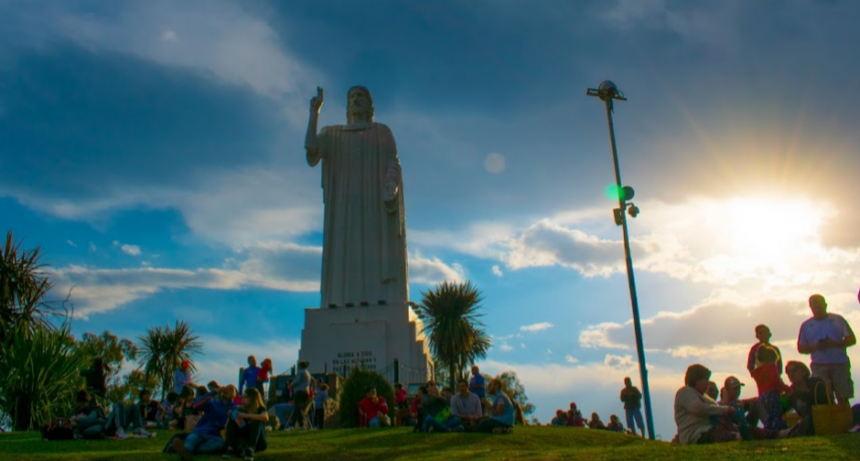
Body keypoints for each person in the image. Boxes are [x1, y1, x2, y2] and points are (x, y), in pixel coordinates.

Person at [305, 85, 408, 308]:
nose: (356, 99)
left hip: (373, 206)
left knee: (373, 250)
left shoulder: (381, 132)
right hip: (343, 209)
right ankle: (341, 301)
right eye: (352, 96)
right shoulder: (332, 135)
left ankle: (378, 298)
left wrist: (391, 185)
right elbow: (311, 149)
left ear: (370, 105)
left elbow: (393, 162)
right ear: (347, 106)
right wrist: (314, 113)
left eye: (361, 96)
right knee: (345, 252)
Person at [797, 294, 856, 404]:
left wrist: (835, 343)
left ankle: (845, 415)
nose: (817, 308)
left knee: (843, 397)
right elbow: (801, 348)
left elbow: (852, 339)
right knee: (824, 398)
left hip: (839, 364)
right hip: (819, 365)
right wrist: (815, 347)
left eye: (819, 305)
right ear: (811, 307)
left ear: (825, 305)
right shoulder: (806, 325)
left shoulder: (837, 320)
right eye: (814, 306)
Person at [173, 385, 238, 460]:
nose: (226, 390)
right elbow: (196, 404)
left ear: (235, 395)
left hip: (215, 435)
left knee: (220, 444)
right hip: (200, 431)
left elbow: (238, 423)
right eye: (226, 388)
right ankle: (187, 450)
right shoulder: (213, 402)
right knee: (192, 439)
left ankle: (186, 451)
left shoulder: (234, 408)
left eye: (231, 389)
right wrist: (214, 391)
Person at [784, 361, 829, 436]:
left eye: (794, 370)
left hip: (822, 417)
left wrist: (797, 394)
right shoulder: (791, 390)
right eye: (788, 372)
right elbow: (784, 409)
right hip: (806, 421)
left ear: (803, 372)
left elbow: (821, 403)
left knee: (807, 421)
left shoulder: (816, 383)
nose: (791, 374)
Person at [751, 345, 791, 430]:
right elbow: (776, 381)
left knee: (768, 415)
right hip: (772, 395)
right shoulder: (771, 368)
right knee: (776, 414)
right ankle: (778, 428)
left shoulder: (758, 372)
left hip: (763, 396)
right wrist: (787, 389)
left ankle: (770, 428)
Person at [224, 388, 269, 461]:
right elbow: (228, 427)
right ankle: (231, 447)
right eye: (243, 397)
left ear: (253, 398)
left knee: (257, 421)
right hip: (245, 437)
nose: (243, 400)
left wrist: (245, 415)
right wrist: (232, 417)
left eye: (246, 397)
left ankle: (250, 449)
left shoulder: (260, 409)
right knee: (232, 420)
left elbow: (265, 417)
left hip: (258, 441)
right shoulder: (241, 409)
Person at [288, 360, 312, 429]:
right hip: (306, 392)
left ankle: (298, 424)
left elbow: (297, 381)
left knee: (297, 408)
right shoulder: (308, 373)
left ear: (300, 366)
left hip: (299, 392)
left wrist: (291, 385)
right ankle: (296, 424)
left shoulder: (301, 372)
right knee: (298, 408)